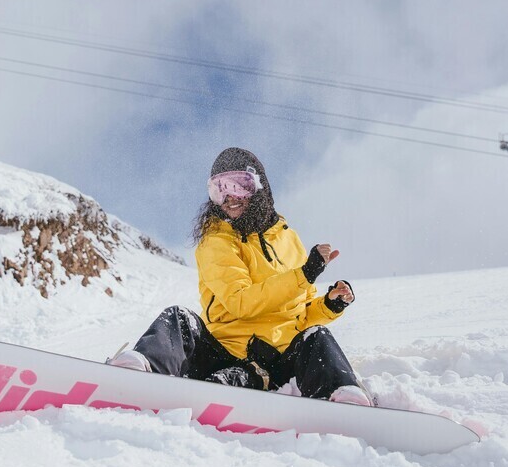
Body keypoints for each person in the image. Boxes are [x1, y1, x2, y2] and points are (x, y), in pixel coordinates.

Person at [109, 146, 372, 406]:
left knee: (317, 335)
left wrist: (329, 304)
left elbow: (301, 312)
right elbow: (239, 301)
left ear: (260, 188)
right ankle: (141, 372)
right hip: (224, 352)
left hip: (280, 360)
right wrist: (304, 274)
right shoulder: (216, 240)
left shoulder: (289, 239)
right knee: (179, 318)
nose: (229, 197)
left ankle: (342, 398)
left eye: (238, 186)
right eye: (219, 189)